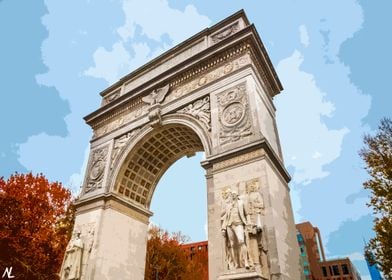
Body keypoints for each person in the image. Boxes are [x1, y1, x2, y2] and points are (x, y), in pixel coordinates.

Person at [221, 189, 250, 269]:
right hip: (229, 225)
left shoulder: (241, 203)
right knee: (232, 245)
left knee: (241, 241)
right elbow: (226, 217)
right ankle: (236, 264)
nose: (232, 196)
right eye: (231, 195)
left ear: (237, 196)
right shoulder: (228, 205)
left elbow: (247, 214)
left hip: (239, 224)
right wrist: (223, 228)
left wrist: (248, 223)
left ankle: (246, 262)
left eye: (234, 195)